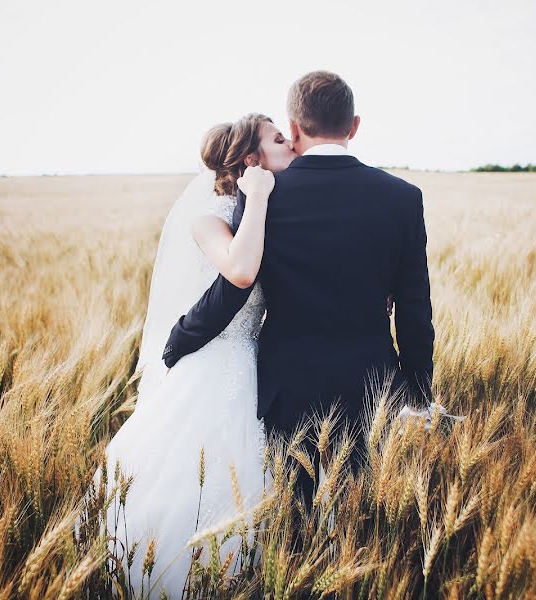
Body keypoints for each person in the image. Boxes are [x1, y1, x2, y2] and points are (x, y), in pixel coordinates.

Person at [162, 70, 441, 526]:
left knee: (293, 521)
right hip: (371, 384)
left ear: (294, 129)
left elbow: (236, 288)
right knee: (363, 525)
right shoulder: (403, 198)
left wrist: (180, 340)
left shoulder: (262, 195)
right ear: (353, 126)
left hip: (286, 386)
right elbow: (414, 309)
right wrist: (418, 392)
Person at [73, 113, 295, 599]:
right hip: (211, 365)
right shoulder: (207, 212)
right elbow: (239, 271)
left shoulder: (266, 209)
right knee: (190, 484)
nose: (293, 142)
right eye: (281, 139)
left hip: (250, 363)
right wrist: (257, 194)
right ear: (251, 160)